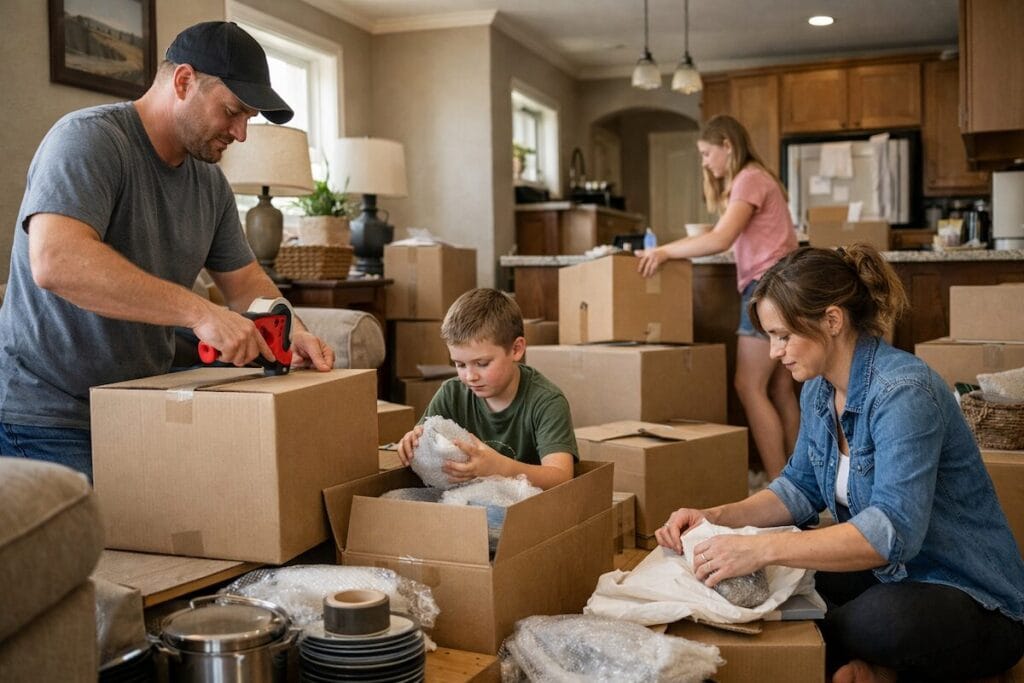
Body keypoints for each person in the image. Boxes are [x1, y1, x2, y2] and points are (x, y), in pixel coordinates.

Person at [655, 245, 1024, 682]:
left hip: (970, 594)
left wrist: (760, 546)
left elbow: (892, 532)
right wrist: (716, 517)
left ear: (832, 320)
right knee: (788, 585)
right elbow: (798, 488)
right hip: (893, 576)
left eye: (783, 335)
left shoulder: (904, 392)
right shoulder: (819, 389)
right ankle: (871, 670)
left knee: (870, 621)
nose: (775, 352)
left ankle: (877, 668)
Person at [0, 21, 335, 482]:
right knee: (110, 546)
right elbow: (56, 261)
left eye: (248, 119)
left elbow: (244, 283)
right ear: (183, 81)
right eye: (233, 112)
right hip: (50, 417)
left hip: (143, 407)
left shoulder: (209, 183)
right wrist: (200, 313)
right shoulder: (88, 141)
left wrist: (292, 329)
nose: (240, 134)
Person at [637, 114, 799, 480]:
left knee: (749, 384)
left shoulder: (749, 178)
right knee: (780, 387)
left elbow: (720, 240)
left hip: (767, 287)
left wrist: (662, 252)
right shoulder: (757, 177)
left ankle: (780, 487)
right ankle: (803, 481)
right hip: (786, 284)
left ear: (728, 145)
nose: (705, 162)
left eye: (707, 153)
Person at [397, 288, 577, 490]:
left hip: (528, 508)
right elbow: (425, 439)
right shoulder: (451, 393)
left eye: (482, 363)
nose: (470, 376)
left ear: (516, 349)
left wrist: (499, 467)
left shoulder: (547, 401)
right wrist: (411, 443)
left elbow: (561, 477)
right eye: (460, 364)